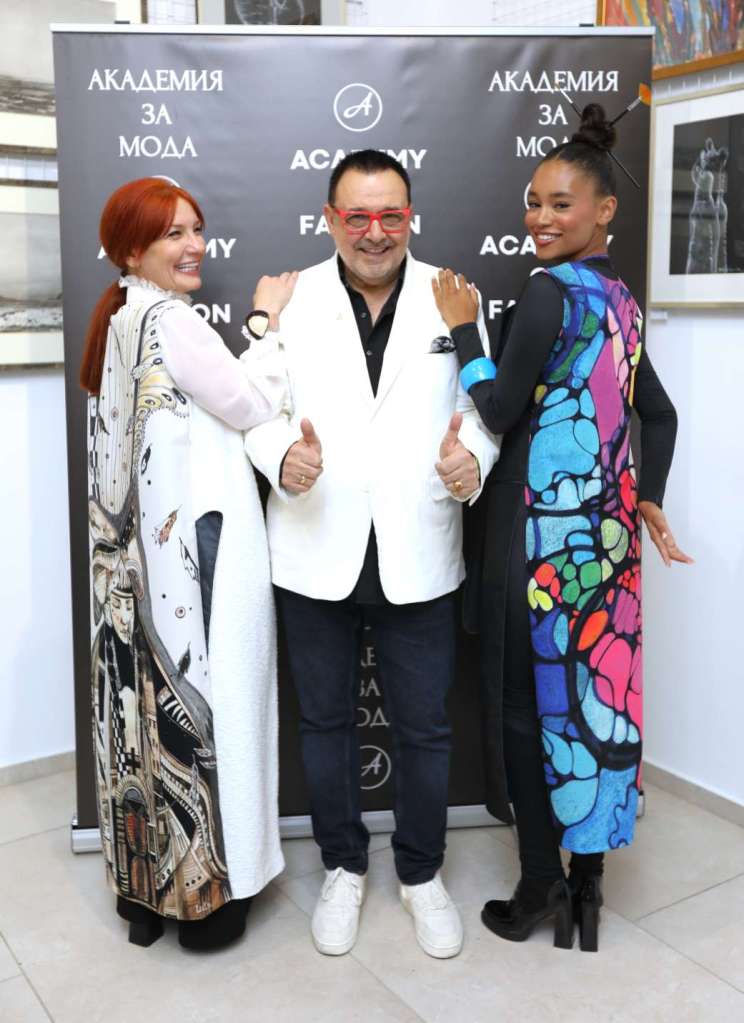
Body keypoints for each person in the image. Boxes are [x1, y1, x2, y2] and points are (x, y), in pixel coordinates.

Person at [432, 105, 693, 953]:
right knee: (595, 708)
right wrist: (647, 496)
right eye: (533, 202)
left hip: (540, 546)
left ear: (604, 210)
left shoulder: (549, 291)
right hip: (608, 552)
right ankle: (589, 881)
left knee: (525, 709)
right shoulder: (620, 300)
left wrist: (464, 328)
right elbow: (660, 413)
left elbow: (499, 407)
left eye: (560, 204)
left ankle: (541, 880)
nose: (540, 218)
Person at [244, 150, 500, 959]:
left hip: (418, 545)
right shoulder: (292, 300)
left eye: (391, 215)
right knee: (324, 723)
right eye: (357, 216)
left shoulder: (452, 295)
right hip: (313, 543)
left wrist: (474, 460)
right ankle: (343, 866)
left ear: (410, 216)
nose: (375, 232)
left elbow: (482, 405)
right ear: (330, 219)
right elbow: (256, 407)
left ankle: (421, 874)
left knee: (425, 727)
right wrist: (281, 455)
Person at [81, 177, 296, 950]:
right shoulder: (172, 320)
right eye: (173, 233)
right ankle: (213, 895)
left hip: (133, 573)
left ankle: (146, 896)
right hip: (194, 561)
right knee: (219, 711)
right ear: (133, 249)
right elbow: (252, 402)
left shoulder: (117, 318)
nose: (195, 244)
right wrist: (266, 323)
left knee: (142, 724)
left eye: (195, 228)